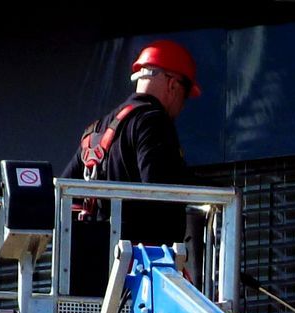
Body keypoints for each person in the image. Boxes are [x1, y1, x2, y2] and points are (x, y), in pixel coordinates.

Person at [62, 39, 202, 292]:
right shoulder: (152, 120)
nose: (182, 106)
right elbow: (161, 187)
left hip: (94, 273)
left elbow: (62, 196)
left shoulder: (95, 132)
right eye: (184, 97)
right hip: (142, 274)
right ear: (173, 85)